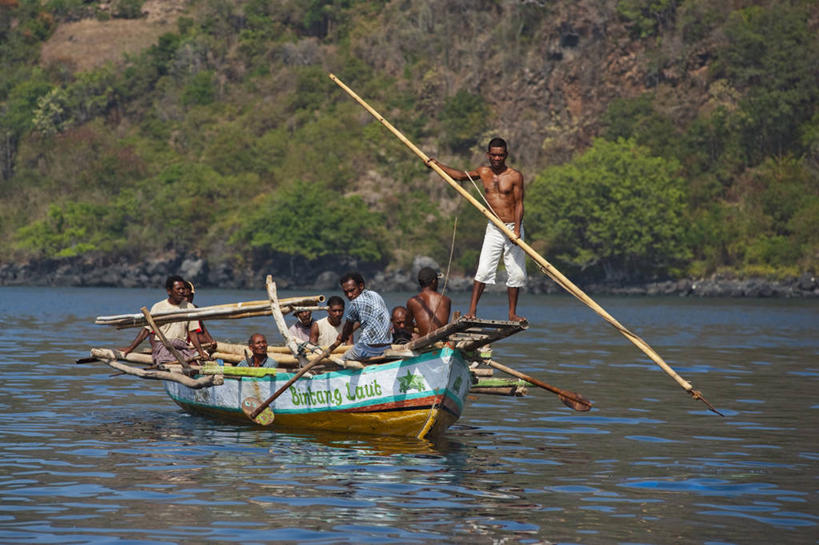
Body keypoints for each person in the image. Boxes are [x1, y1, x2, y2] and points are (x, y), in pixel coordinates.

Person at [428, 137, 527, 321]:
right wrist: (438, 165)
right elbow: (460, 176)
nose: (497, 159)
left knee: (516, 272)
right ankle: (472, 311)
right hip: (494, 226)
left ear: (506, 155)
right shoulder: (483, 172)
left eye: (501, 155)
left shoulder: (515, 176)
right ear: (488, 155)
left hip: (513, 226)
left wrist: (517, 231)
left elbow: (520, 204)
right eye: (494, 155)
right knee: (483, 269)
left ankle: (512, 313)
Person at [119, 275, 209, 365]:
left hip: (182, 347)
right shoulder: (159, 307)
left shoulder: (189, 307)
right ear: (169, 291)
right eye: (178, 289)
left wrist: (201, 352)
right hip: (164, 346)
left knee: (194, 365)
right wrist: (130, 348)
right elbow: (146, 331)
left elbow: (192, 333)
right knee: (175, 364)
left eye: (183, 289)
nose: (182, 292)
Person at [337, 272, 391, 361]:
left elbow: (348, 328)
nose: (349, 295)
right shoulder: (375, 295)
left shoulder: (355, 303)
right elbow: (365, 320)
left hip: (367, 348)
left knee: (343, 359)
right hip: (387, 346)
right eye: (346, 292)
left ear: (361, 286)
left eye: (352, 290)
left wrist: (343, 336)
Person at [406, 266, 452, 336]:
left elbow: (408, 325)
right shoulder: (446, 300)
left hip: (424, 343)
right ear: (434, 281)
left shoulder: (412, 301)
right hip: (441, 342)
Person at [183, 281, 215, 350]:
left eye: (189, 296)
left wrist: (211, 341)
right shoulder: (180, 310)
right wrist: (207, 342)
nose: (187, 299)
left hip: (199, 342)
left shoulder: (195, 308)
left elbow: (203, 328)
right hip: (189, 343)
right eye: (184, 296)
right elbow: (193, 334)